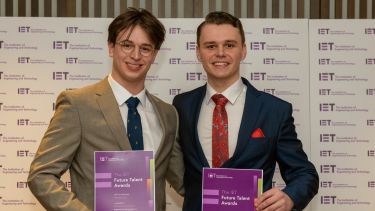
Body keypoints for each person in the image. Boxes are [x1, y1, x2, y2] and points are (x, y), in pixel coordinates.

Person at [28, 7, 184, 211]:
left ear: (154, 55)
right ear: (111, 47)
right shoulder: (77, 104)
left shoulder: (168, 114)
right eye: (127, 45)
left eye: (145, 48)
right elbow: (41, 174)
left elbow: (184, 181)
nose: (136, 55)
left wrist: (232, 191)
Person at [172, 11, 319, 211]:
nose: (220, 53)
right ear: (198, 52)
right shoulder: (182, 105)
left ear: (243, 50)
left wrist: (289, 197)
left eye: (229, 45)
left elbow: (304, 173)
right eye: (211, 46)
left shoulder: (274, 110)